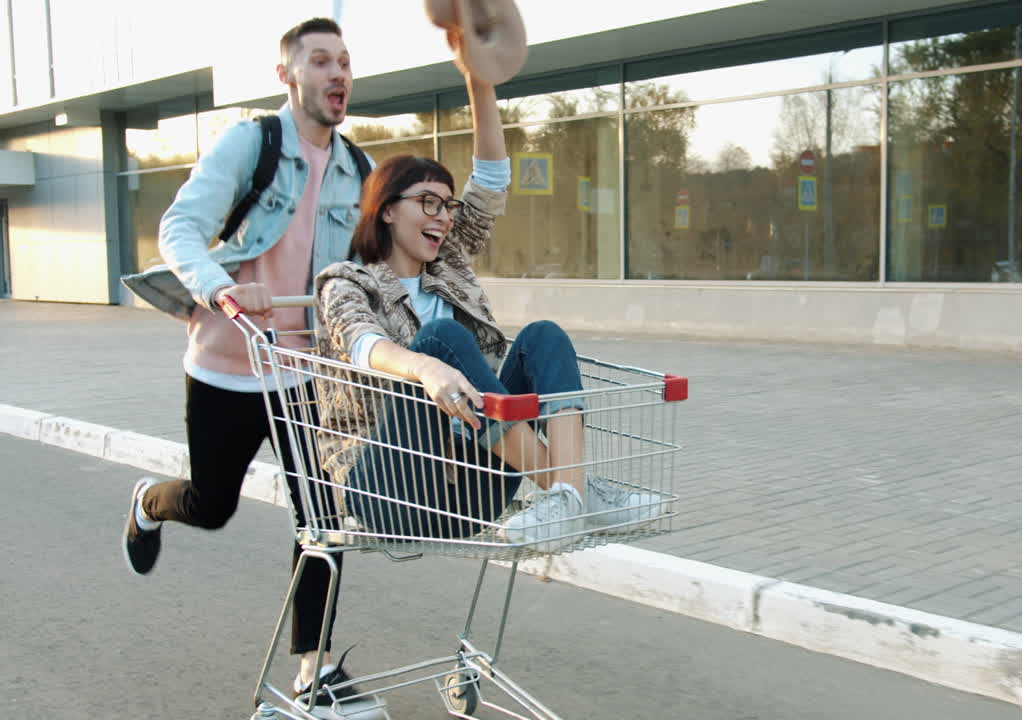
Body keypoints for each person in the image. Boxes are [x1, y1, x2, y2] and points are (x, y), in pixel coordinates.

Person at [313, 47, 661, 554]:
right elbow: (364, 344)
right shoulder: (345, 281)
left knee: (543, 336)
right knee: (442, 340)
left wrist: (479, 80)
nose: (443, 216)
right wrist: (426, 370)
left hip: (470, 489)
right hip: (389, 485)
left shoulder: (448, 263)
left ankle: (568, 496)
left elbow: (493, 178)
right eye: (427, 203)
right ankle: (582, 495)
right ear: (386, 211)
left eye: (447, 205)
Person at [119, 17, 369, 706]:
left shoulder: (358, 169)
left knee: (323, 515)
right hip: (227, 364)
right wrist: (221, 288)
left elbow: (369, 270)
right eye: (320, 61)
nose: (337, 73)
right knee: (210, 504)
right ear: (287, 75)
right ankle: (148, 502)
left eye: (344, 61)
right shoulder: (249, 143)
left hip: (306, 372)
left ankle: (312, 666)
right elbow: (179, 229)